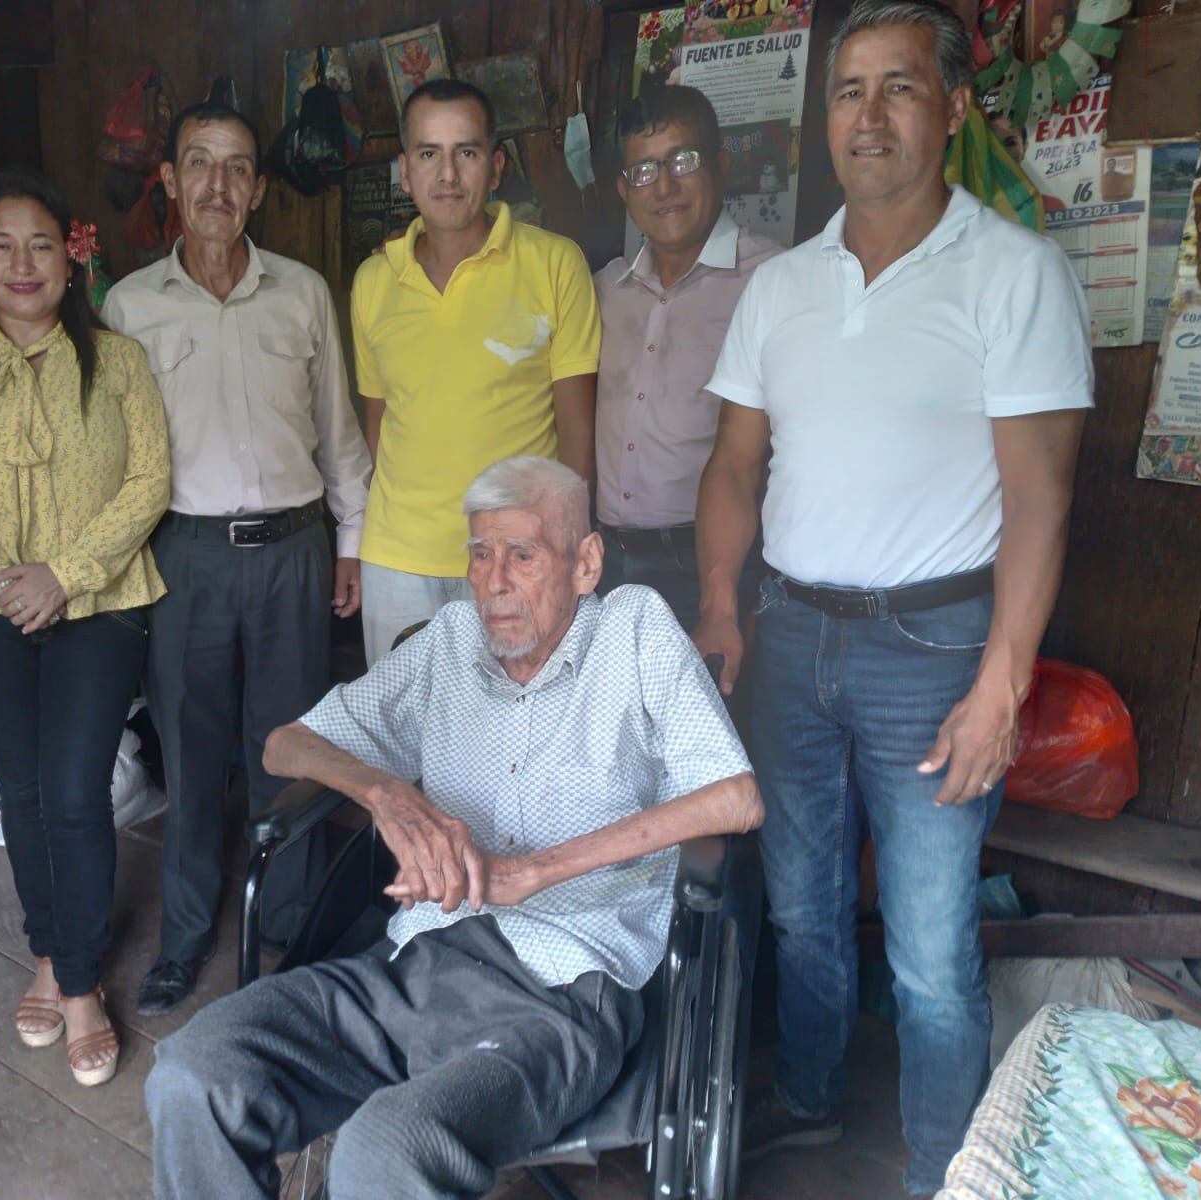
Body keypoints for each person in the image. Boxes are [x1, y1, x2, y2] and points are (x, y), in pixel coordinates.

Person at [692, 0, 1092, 1192]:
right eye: (848, 91)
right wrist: (720, 604)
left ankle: (942, 1168)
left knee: (925, 945)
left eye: (899, 87)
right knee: (801, 911)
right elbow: (733, 465)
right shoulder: (781, 287)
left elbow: (1040, 498)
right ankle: (812, 1099)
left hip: (935, 646)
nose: (868, 116)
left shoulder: (1013, 274)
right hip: (789, 635)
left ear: (954, 107)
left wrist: (999, 687)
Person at [146, 455, 761, 1200]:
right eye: (480, 553)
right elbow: (286, 745)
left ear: (585, 563)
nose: (494, 581)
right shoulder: (449, 642)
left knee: (385, 1148)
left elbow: (735, 797)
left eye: (523, 555)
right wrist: (385, 793)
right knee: (194, 1072)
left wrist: (531, 872)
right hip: (413, 966)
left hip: (562, 993)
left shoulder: (633, 631)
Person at [0, 168, 171, 1087]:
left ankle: (80, 983)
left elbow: (149, 482)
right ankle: (47, 954)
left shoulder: (117, 361)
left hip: (98, 604)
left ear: (71, 257)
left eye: (41, 245)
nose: (22, 264)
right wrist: (3, 580)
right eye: (1, 246)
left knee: (76, 791)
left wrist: (65, 575)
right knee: (23, 790)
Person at [103, 101, 373, 1015]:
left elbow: (339, 430)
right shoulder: (130, 305)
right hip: (183, 555)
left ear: (257, 189)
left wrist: (351, 543)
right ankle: (185, 940)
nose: (217, 184)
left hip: (295, 549)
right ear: (170, 181)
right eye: (199, 164)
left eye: (237, 167)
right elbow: (118, 453)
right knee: (188, 751)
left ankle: (288, 930)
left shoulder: (301, 293)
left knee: (289, 748)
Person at [351, 79, 601, 663]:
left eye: (465, 152)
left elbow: (577, 433)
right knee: (401, 720)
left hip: (518, 557)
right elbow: (378, 425)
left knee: (519, 718)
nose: (447, 174)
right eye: (427, 153)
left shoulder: (554, 264)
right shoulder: (373, 282)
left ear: (495, 167)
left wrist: (564, 551)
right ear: (405, 171)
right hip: (397, 562)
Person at [594, 84, 782, 629]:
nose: (665, 187)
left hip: (710, 564)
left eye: (683, 161)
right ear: (623, 190)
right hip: (604, 560)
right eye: (644, 171)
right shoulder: (602, 290)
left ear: (720, 166)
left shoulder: (773, 279)